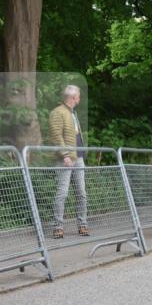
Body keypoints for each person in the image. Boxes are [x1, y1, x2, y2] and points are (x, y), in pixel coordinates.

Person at [48, 85, 88, 239]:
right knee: (62, 193)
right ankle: (58, 227)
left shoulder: (72, 113)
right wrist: (65, 155)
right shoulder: (57, 112)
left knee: (81, 193)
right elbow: (56, 136)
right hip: (65, 158)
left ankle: (82, 225)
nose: (79, 99)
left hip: (78, 157)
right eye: (78, 96)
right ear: (73, 97)